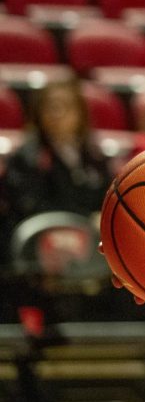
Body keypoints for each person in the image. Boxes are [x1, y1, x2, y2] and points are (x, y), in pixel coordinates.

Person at [0, 80, 111, 264]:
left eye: (65, 106)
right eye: (51, 107)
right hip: (37, 252)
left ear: (80, 113)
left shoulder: (94, 156)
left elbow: (105, 197)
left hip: (89, 249)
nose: (57, 114)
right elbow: (29, 206)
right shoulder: (26, 157)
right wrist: (88, 219)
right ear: (39, 114)